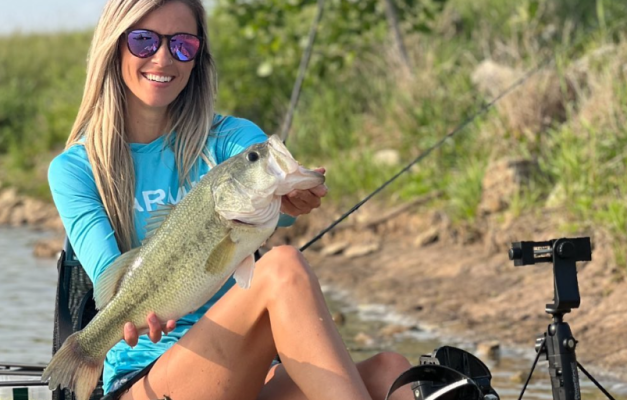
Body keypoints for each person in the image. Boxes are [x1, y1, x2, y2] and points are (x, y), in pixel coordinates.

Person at [48, 0, 412, 399]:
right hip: (146, 377)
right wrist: (127, 323)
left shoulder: (229, 139)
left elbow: (269, 188)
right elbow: (109, 282)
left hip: (247, 374)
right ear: (114, 46)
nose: (163, 57)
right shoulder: (76, 168)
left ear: (198, 56)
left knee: (391, 372)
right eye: (143, 41)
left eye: (183, 45)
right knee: (282, 265)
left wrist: (294, 194)